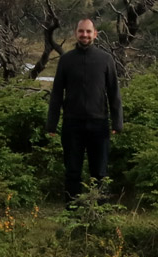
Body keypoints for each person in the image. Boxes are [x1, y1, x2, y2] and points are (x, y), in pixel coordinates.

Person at [45, 17, 122, 202]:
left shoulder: (105, 59)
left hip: (99, 124)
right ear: (76, 34)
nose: (84, 35)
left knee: (100, 173)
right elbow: (56, 94)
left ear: (95, 34)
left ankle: (100, 214)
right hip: (72, 125)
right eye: (81, 31)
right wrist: (51, 124)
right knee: (72, 172)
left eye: (88, 31)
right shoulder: (66, 60)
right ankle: (72, 214)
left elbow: (114, 92)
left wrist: (117, 122)